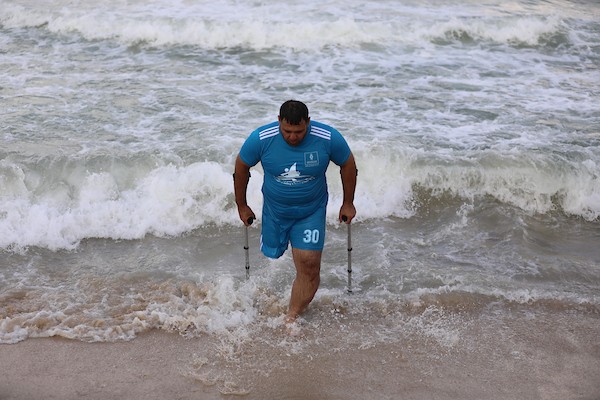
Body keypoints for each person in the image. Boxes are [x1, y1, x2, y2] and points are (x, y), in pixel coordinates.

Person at [233, 100, 357, 324]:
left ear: (308, 123)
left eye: (299, 131)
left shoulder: (327, 137)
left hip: (311, 211)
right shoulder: (261, 138)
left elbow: (348, 164)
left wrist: (348, 203)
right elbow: (241, 167)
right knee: (272, 254)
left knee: (309, 264)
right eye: (287, 131)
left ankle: (291, 316)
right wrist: (241, 205)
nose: (293, 137)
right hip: (275, 211)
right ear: (279, 121)